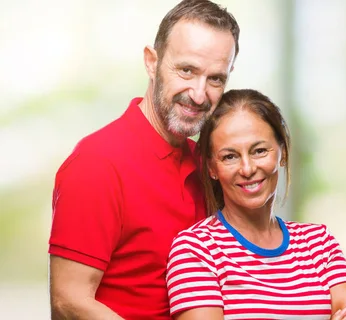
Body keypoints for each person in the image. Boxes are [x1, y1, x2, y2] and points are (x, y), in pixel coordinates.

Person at [48, 1, 240, 319]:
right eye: (187, 70)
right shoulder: (97, 162)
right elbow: (69, 301)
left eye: (216, 79)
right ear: (152, 62)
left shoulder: (208, 165)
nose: (199, 93)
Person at [166, 89, 346, 320]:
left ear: (282, 153)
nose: (247, 169)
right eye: (230, 156)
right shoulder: (196, 251)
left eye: (259, 151)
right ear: (212, 167)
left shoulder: (319, 245)